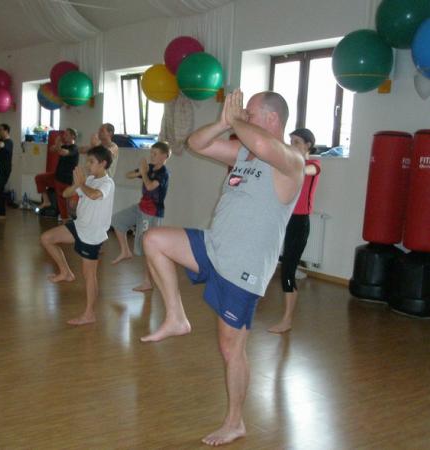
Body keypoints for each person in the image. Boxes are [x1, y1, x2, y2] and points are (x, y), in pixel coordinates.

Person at [140, 89, 304, 446]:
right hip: (214, 247)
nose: (244, 115)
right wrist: (222, 122)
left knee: (231, 349)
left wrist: (235, 121)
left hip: (244, 268)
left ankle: (235, 422)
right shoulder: (245, 152)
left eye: (251, 112)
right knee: (153, 240)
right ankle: (176, 317)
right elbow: (196, 143)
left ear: (272, 118)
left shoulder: (291, 160)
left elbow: (262, 144)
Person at [39, 145, 114, 326]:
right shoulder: (90, 179)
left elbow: (94, 195)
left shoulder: (107, 183)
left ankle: (89, 314)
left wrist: (81, 184)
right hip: (79, 225)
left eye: (91, 162)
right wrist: (77, 184)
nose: (87, 165)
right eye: (87, 161)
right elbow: (65, 193)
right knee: (46, 238)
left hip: (92, 234)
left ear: (103, 163)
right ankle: (65, 272)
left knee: (89, 275)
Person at [268, 128, 321, 334]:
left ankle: (287, 320)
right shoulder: (291, 166)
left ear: (308, 145)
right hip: (283, 219)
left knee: (288, 273)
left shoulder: (314, 165)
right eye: (290, 141)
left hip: (299, 224)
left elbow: (305, 171)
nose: (292, 145)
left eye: (297, 142)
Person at [111, 141, 171, 291]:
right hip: (140, 207)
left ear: (164, 156)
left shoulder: (164, 173)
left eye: (155, 154)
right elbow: (128, 175)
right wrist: (140, 172)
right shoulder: (149, 168)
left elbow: (150, 186)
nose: (152, 156)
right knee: (117, 220)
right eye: (151, 153)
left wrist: (143, 173)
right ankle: (125, 251)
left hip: (151, 214)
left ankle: (148, 281)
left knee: (146, 248)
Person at [35, 128, 79, 221]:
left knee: (62, 203)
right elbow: (52, 149)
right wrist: (57, 144)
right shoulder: (64, 146)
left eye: (66, 135)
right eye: (64, 134)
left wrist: (58, 143)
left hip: (64, 180)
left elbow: (63, 153)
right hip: (56, 176)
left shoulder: (74, 148)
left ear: (73, 136)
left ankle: (65, 220)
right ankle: (46, 201)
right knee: (39, 178)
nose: (64, 136)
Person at [0, 123, 13, 219]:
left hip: (4, 170)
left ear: (6, 131)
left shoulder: (9, 142)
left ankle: (1, 214)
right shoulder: (0, 140)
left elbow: (0, 145)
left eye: (1, 130)